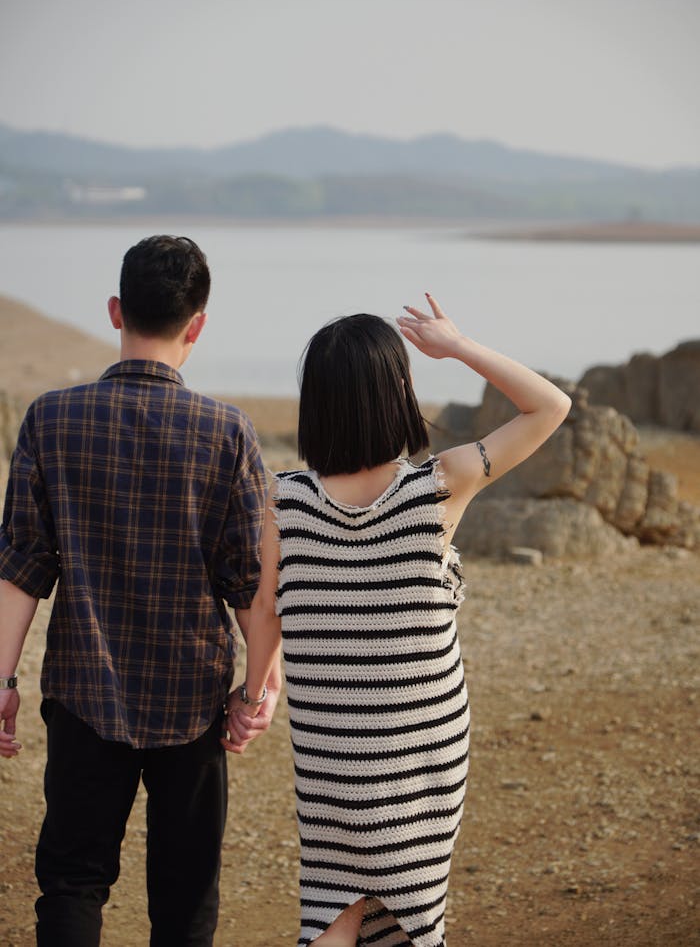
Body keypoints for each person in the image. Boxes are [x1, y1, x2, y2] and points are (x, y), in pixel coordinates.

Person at [223, 293, 571, 947]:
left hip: (331, 748)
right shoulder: (440, 485)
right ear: (398, 395)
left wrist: (254, 696)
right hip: (423, 748)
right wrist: (459, 348)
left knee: (333, 906)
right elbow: (550, 406)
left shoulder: (284, 502)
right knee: (413, 915)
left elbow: (266, 613)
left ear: (316, 404)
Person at [0, 235, 281, 947]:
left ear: (115, 310)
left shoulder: (50, 419)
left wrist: (1, 681)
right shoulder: (229, 433)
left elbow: (20, 568)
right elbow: (253, 587)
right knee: (186, 898)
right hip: (193, 700)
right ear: (198, 324)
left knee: (72, 881)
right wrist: (257, 691)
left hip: (83, 692)